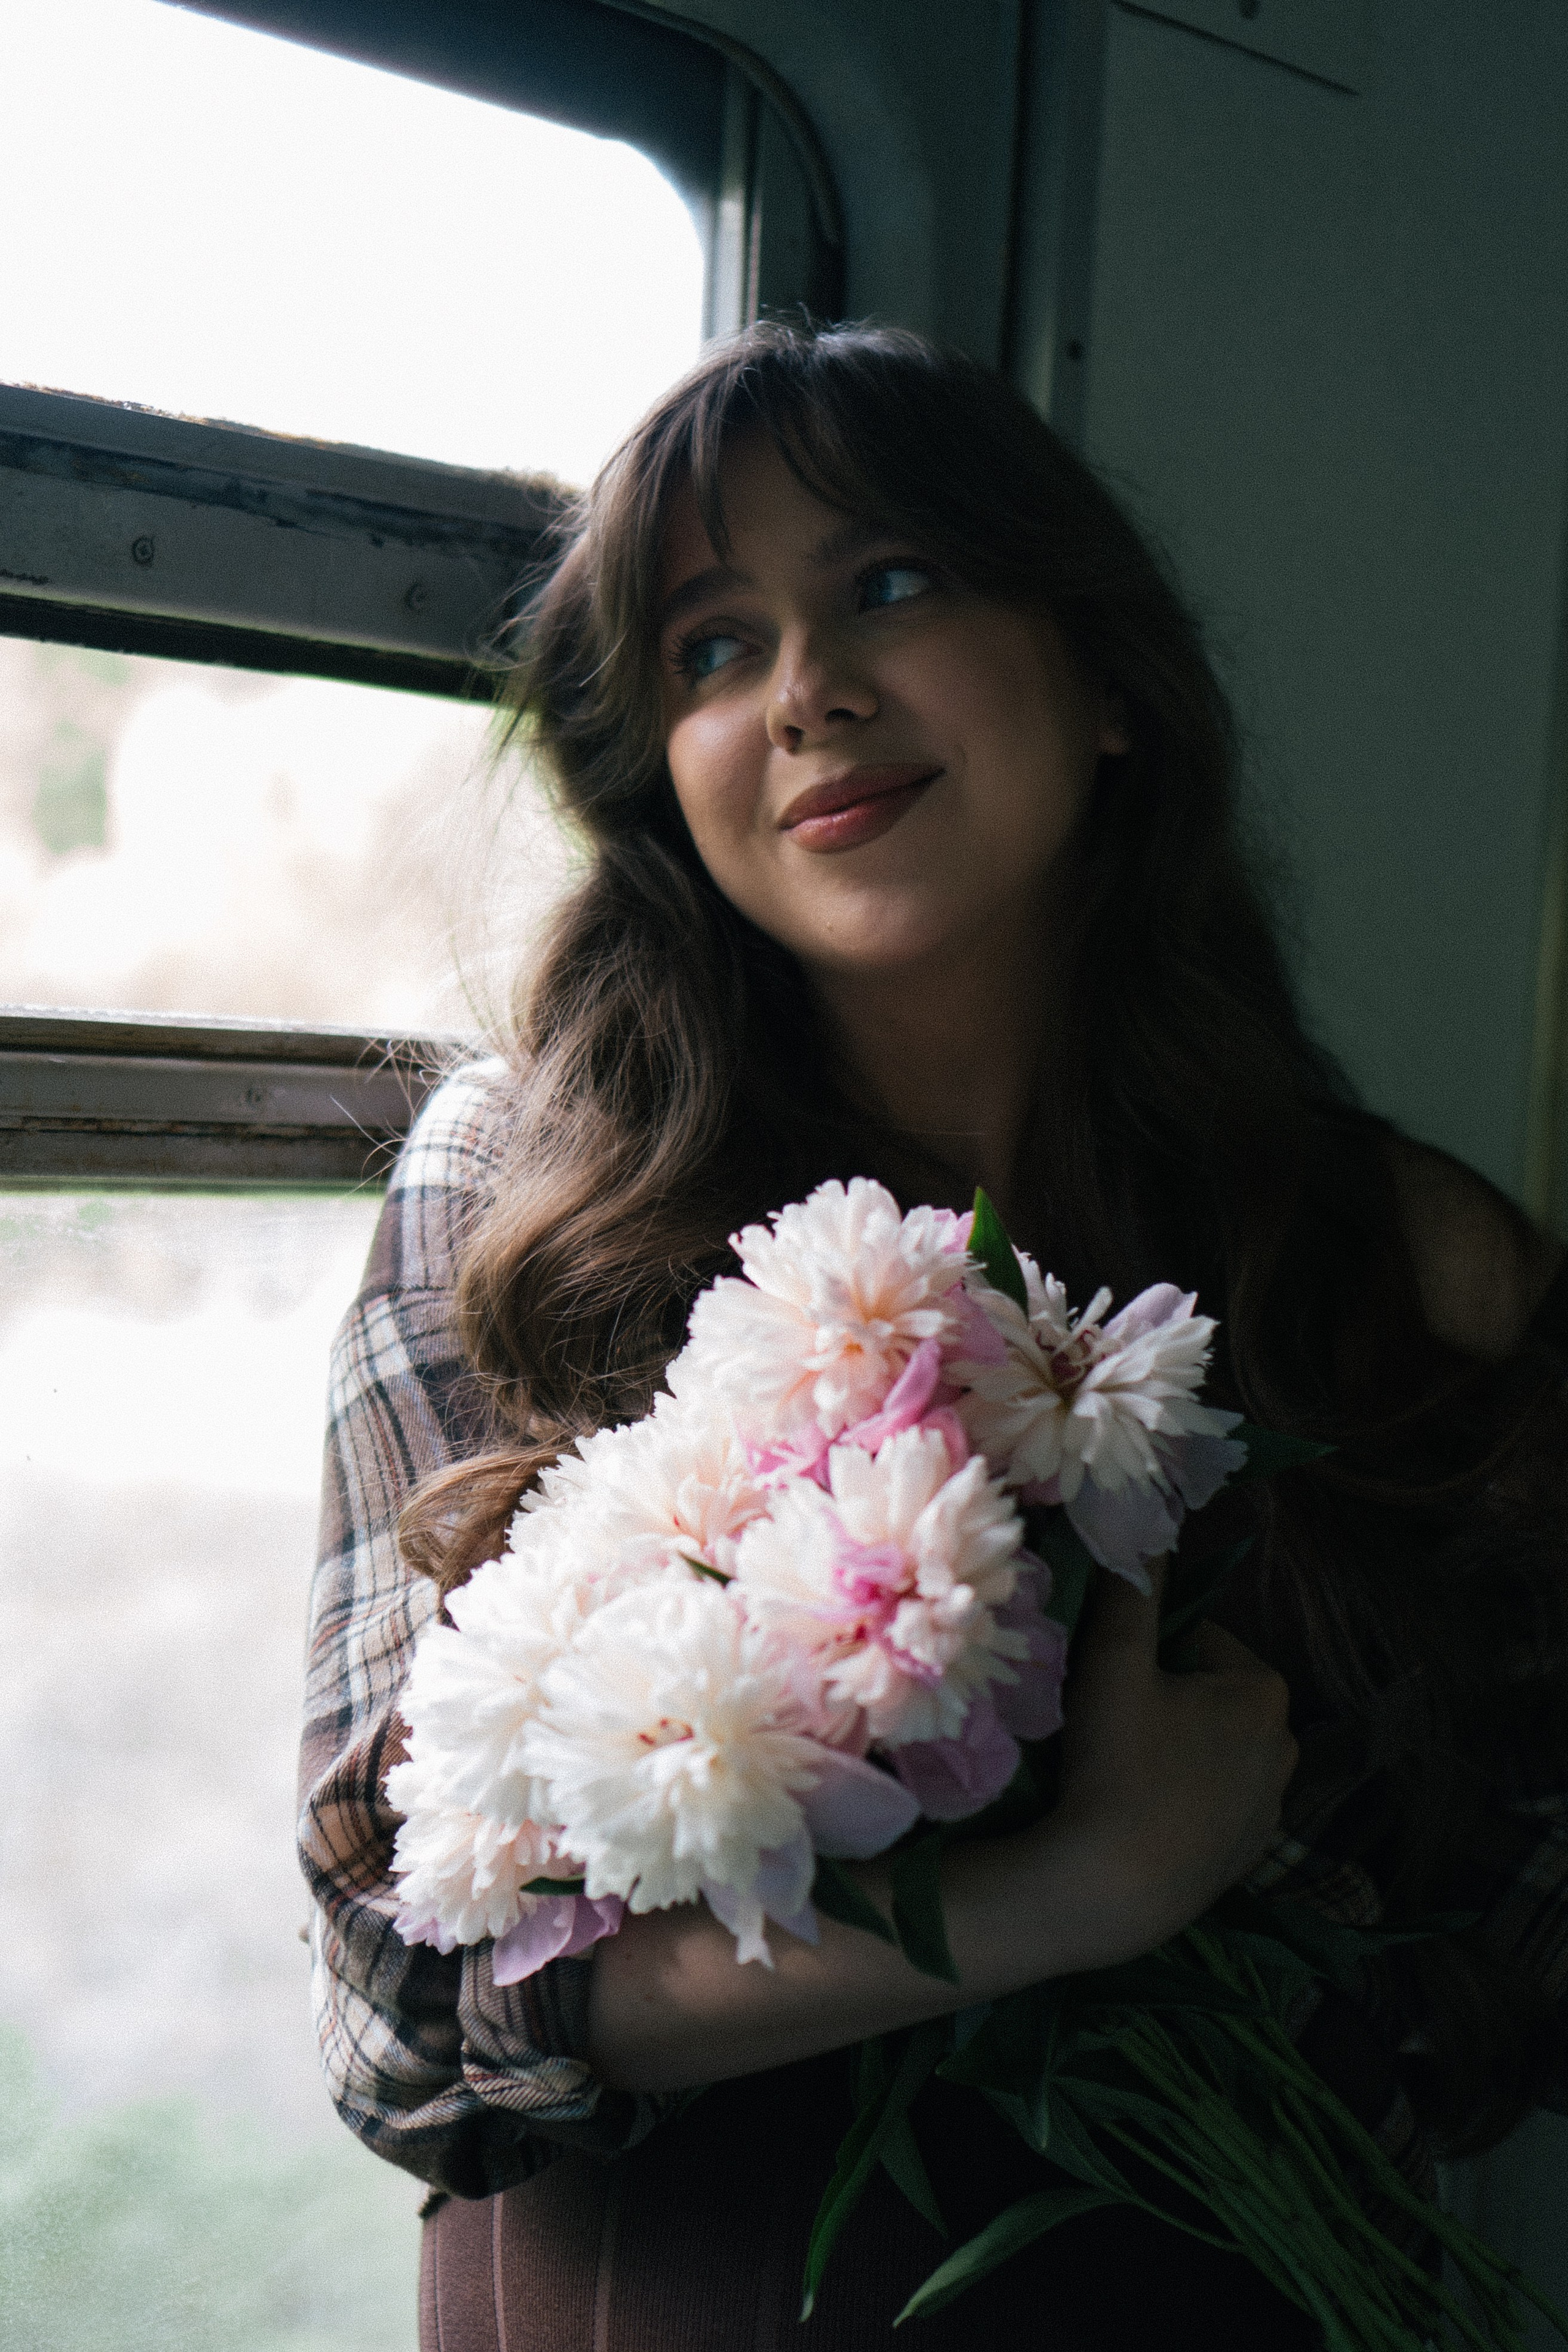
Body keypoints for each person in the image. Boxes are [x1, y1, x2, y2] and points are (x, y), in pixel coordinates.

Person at [299, 321, 1568, 2351]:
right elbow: (401, 2011)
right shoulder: (518, 1200)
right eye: (715, 647)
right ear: (663, 776)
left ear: (1109, 682)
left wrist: (1267, 2028)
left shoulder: (1407, 1258)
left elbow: (1508, 1952)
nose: (809, 692)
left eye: (891, 583)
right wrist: (1073, 1895)